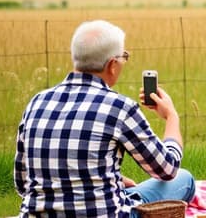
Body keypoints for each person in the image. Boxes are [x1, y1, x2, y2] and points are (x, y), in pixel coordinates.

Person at [13, 20, 195, 217]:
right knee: (185, 179)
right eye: (124, 57)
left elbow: (23, 184)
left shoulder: (36, 102)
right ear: (112, 65)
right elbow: (167, 169)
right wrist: (171, 116)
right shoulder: (119, 107)